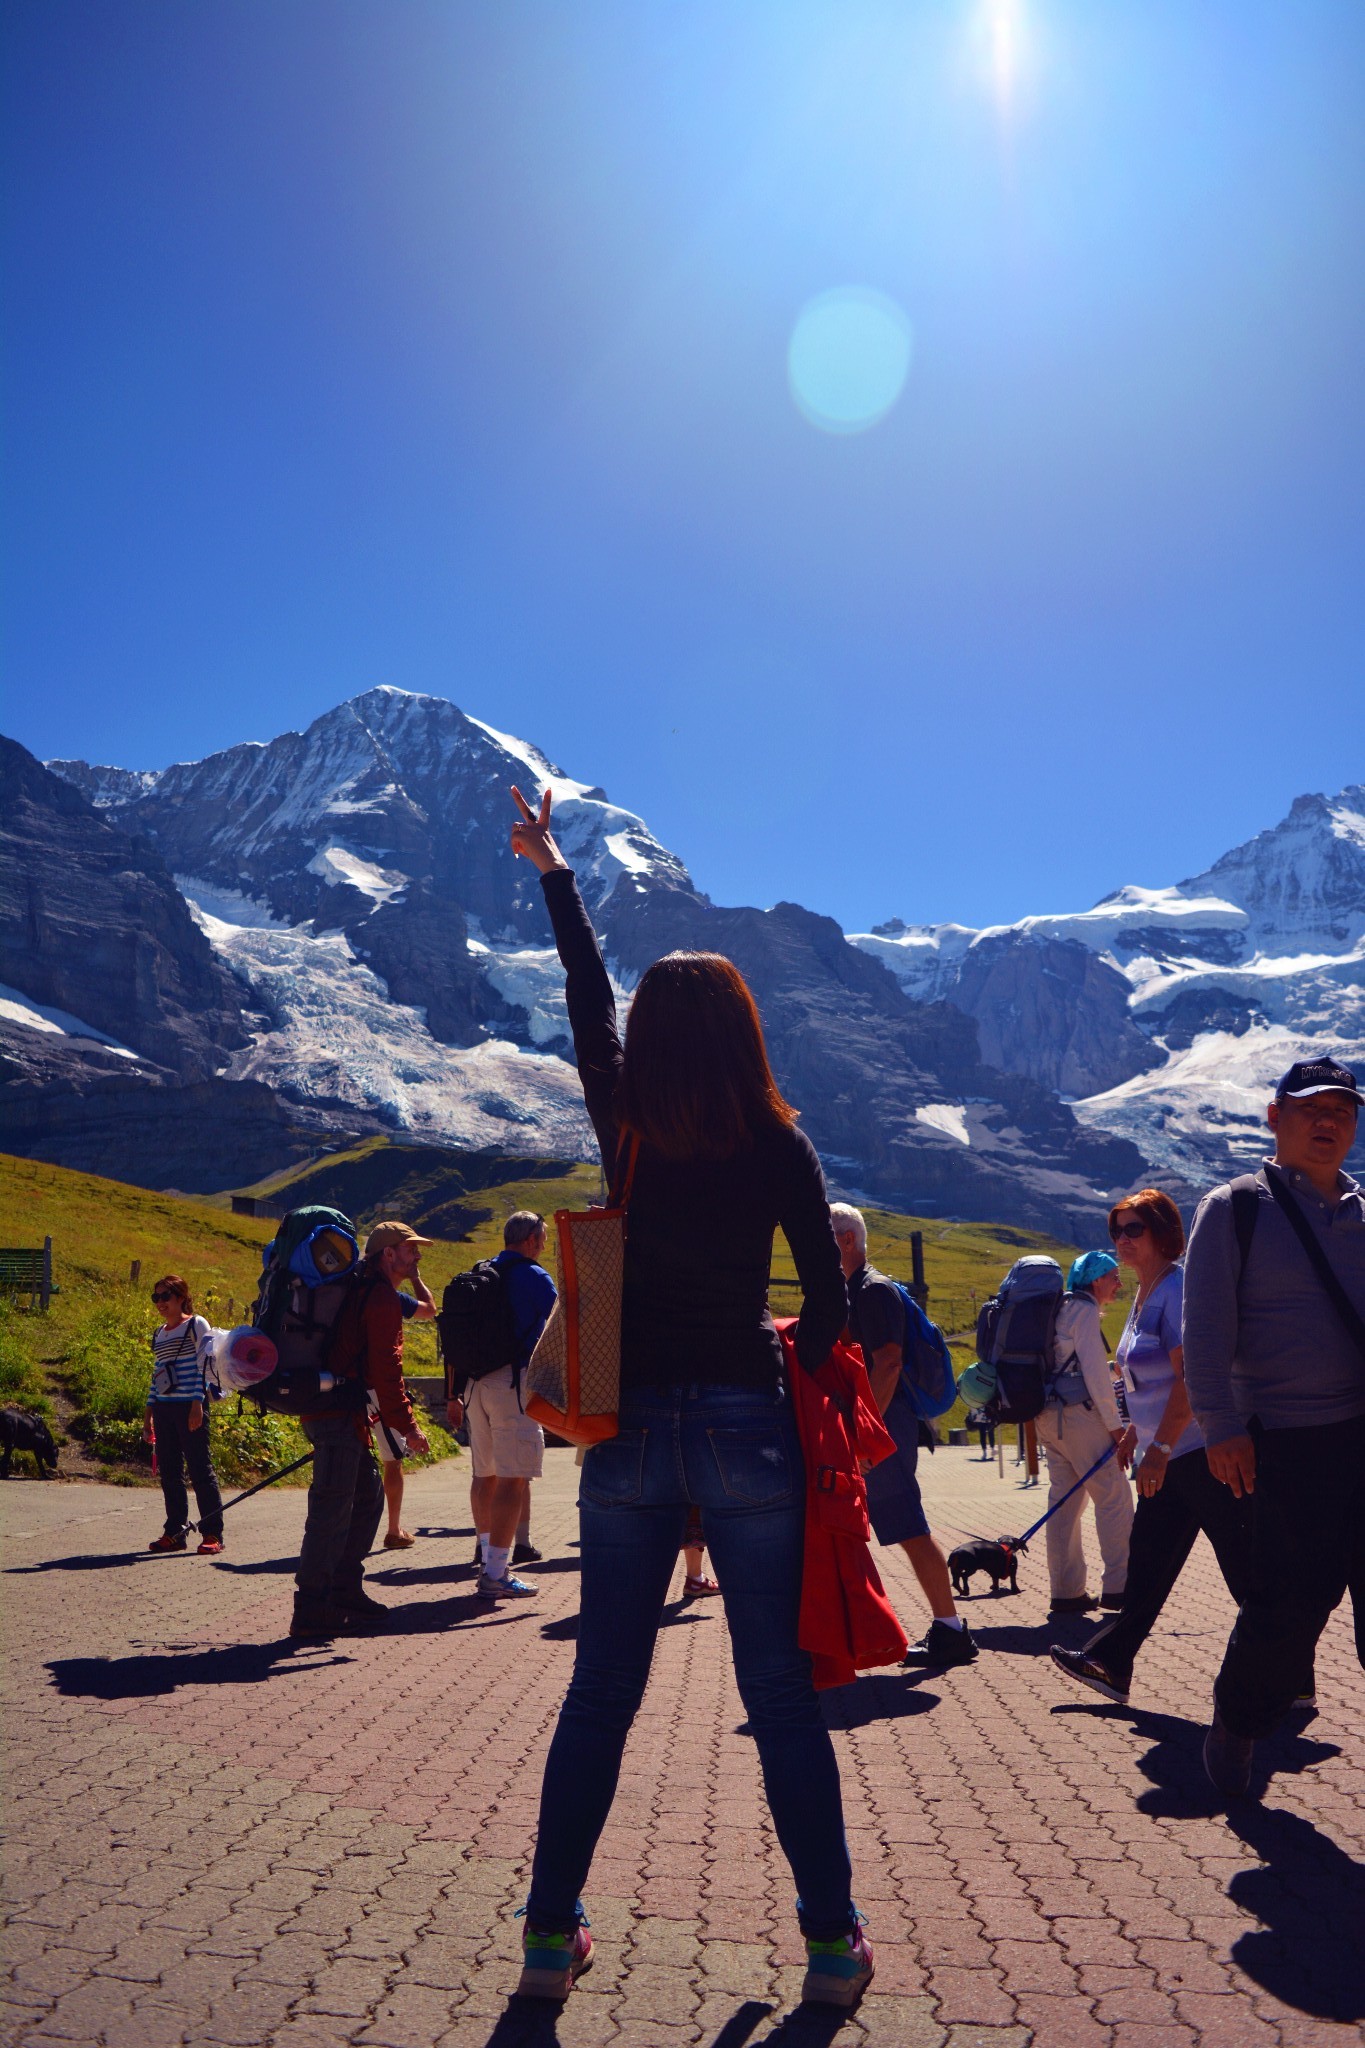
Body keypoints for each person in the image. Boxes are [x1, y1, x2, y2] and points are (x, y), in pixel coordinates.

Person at [508, 785, 869, 2010]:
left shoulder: (627, 1124)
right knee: (779, 1691)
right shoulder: (782, 1141)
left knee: (602, 1684)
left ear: (655, 1042)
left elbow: (587, 1005)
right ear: (747, 1031)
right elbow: (827, 1305)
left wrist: (557, 871)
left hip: (627, 1425)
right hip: (745, 1418)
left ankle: (550, 1936)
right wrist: (773, 1352)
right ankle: (830, 1944)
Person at [1183, 1057, 1365, 1798]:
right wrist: (1220, 1425)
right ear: (1273, 1117)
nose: (1328, 1123)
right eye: (1310, 1109)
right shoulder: (1235, 1208)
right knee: (1289, 1605)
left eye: (1342, 1112)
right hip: (1285, 1442)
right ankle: (1237, 1725)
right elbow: (1203, 1331)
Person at [1051, 1194, 1253, 1705]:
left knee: (1243, 1567)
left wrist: (1159, 1444)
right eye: (1116, 1229)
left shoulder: (1178, 1290)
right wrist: (1133, 1435)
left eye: (1134, 1228)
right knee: (1147, 1565)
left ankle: (1290, 1674)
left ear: (1162, 1232)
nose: (1122, 1238)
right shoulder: (1145, 1293)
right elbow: (1139, 1380)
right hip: (1165, 1458)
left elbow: (1192, 1377)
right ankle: (1112, 1662)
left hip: (1198, 1455)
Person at [829, 1205, 978, 1670]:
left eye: (824, 1238)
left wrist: (864, 1433)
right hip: (883, 1424)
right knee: (884, 1526)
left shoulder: (871, 1291)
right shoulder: (858, 1289)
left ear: (847, 1240)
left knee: (909, 1526)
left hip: (885, 1426)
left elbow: (888, 1363)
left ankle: (951, 1632)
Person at [291, 1221, 431, 1642]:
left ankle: (345, 1590)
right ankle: (311, 1609)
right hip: (334, 1413)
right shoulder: (380, 1296)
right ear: (389, 1254)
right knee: (329, 1513)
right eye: (411, 1250)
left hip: (336, 1411)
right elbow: (388, 1374)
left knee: (369, 1497)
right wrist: (408, 1428)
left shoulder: (365, 1287)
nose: (417, 1256)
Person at [448, 1210, 557, 1599]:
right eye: (543, 1238)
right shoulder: (533, 1276)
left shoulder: (483, 1270)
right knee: (513, 1478)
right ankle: (496, 1573)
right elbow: (560, 1325)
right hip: (513, 1384)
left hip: (475, 1385)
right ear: (529, 1239)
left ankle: (486, 1551)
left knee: (485, 1474)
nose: (545, 1244)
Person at [1032, 1249, 1135, 1615]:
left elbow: (1072, 1365)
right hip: (1078, 1418)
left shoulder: (1060, 1307)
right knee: (1115, 1498)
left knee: (1065, 1502)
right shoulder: (1085, 1310)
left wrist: (1109, 1370)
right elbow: (1091, 1375)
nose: (1119, 1284)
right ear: (1096, 1280)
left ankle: (1066, 1591)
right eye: (1113, 1277)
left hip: (1048, 1416)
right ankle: (1120, 1588)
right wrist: (1116, 1429)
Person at [142, 1275, 224, 1555]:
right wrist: (148, 1415)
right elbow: (157, 1375)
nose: (160, 1303)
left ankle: (213, 1533)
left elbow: (205, 1365)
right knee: (170, 1473)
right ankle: (175, 1533)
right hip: (164, 1408)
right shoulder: (160, 1333)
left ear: (180, 1297)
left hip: (190, 1406)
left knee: (201, 1470)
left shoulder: (196, 1324)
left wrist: (197, 1404)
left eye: (165, 1296)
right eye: (156, 1298)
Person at [377, 1271, 438, 1550]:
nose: (416, 1254)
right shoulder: (390, 1297)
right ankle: (393, 1530)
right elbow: (430, 1310)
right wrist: (415, 1278)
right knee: (393, 1460)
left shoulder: (358, 1289)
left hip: (344, 1385)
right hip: (377, 1388)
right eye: (410, 1249)